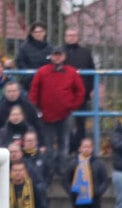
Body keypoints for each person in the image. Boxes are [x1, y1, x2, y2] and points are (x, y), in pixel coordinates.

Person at [28, 46, 86, 177]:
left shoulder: (72, 72)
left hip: (65, 115)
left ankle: (62, 170)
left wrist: (72, 105)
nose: (57, 57)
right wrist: (36, 109)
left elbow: (80, 91)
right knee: (48, 146)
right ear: (51, 56)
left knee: (64, 144)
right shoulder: (42, 72)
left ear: (64, 57)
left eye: (59, 55)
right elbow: (34, 92)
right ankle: (49, 170)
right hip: (46, 116)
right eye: (55, 55)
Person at [62, 28, 95, 147]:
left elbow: (92, 71)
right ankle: (69, 147)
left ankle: (81, 147)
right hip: (64, 95)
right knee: (65, 122)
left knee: (81, 122)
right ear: (65, 37)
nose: (71, 37)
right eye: (68, 35)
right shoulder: (60, 53)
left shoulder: (85, 52)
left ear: (77, 37)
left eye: (73, 35)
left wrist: (89, 89)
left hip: (82, 94)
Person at [15, 21, 53, 88]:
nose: (38, 34)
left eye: (41, 31)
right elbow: (20, 63)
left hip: (47, 84)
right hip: (29, 84)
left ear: (45, 32)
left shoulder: (50, 48)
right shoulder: (24, 48)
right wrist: (30, 77)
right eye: (36, 32)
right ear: (32, 33)